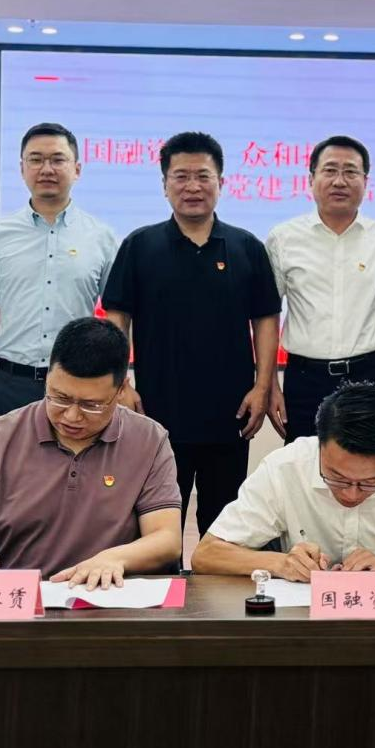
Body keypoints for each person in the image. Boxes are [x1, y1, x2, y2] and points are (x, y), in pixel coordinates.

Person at [102, 131, 280, 538]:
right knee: (155, 521)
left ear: (222, 182)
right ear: (164, 185)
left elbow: (266, 319)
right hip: (156, 411)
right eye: (181, 177)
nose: (193, 187)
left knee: (224, 523)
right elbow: (117, 318)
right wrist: (120, 384)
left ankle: (214, 583)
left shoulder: (246, 247)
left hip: (230, 411)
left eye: (203, 176)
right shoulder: (139, 245)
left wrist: (263, 386)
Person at [0, 317, 182, 588]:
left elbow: (167, 539)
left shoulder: (148, 440)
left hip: (108, 600)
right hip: (20, 602)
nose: (72, 416)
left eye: (91, 405)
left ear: (122, 389)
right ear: (47, 378)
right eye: (60, 398)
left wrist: (115, 558)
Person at [192, 382, 375, 578]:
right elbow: (206, 555)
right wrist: (281, 563)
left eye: (371, 482)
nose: (351, 494)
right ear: (320, 445)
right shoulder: (286, 467)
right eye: (337, 478)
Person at [0, 122, 118, 429]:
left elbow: (116, 318)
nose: (46, 169)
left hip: (79, 385)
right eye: (35, 159)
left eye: (58, 159)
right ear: (22, 168)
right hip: (10, 384)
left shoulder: (101, 237)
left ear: (77, 169)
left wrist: (117, 385)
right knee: (10, 463)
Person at [265, 135, 375, 442]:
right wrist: (270, 385)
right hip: (305, 379)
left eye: (351, 171)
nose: (340, 181)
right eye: (330, 170)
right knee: (304, 464)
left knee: (371, 463)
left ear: (365, 181)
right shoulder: (283, 239)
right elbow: (268, 318)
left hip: (369, 377)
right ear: (311, 179)